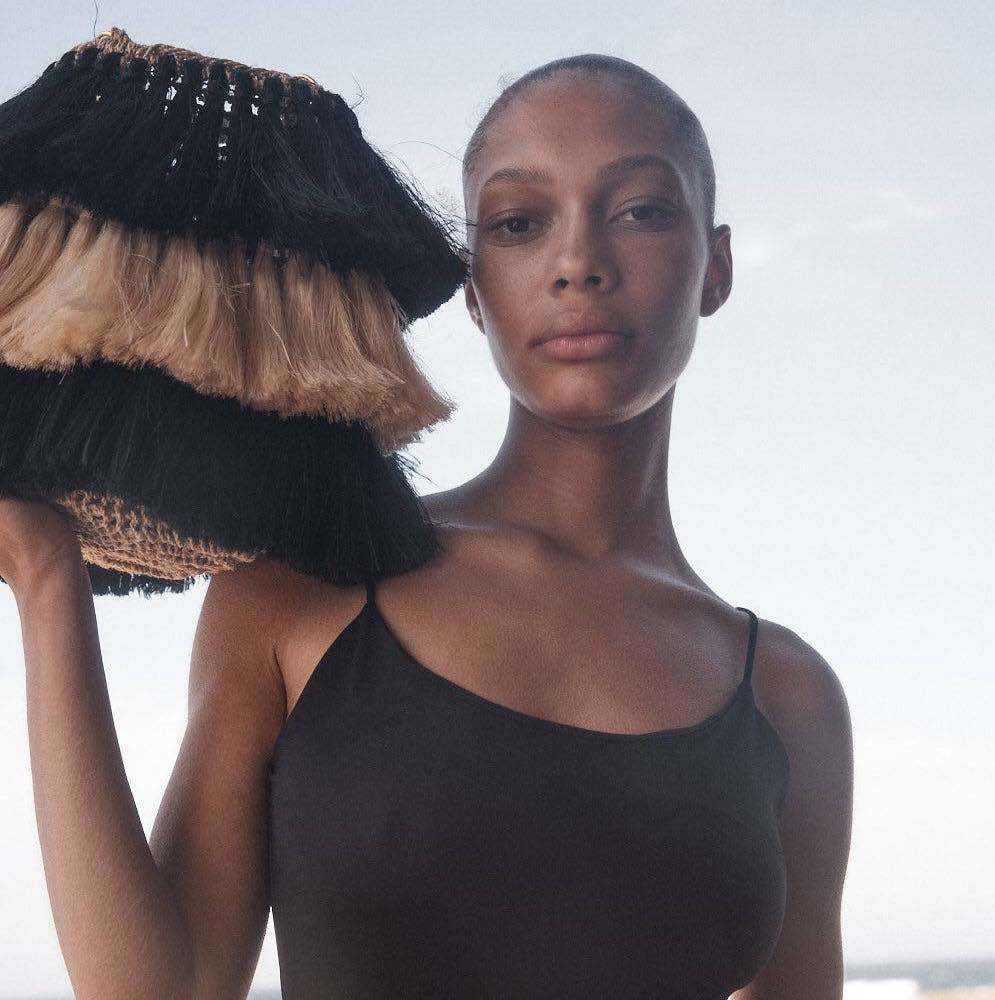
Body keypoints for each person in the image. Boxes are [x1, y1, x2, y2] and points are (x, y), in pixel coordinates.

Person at [0, 54, 854, 999]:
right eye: (519, 223)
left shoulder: (787, 695)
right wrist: (46, 583)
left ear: (716, 266)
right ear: (476, 289)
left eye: (640, 209)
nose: (578, 263)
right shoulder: (301, 593)